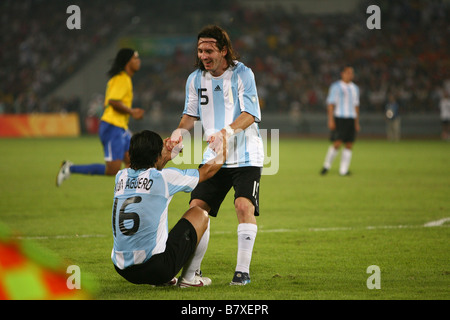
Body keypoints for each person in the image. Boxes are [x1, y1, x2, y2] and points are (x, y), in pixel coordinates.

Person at [168, 25, 264, 286]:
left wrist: (226, 132)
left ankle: (242, 272)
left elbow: (250, 113)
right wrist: (178, 134)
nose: (203, 55)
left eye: (209, 50)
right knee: (195, 209)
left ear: (223, 50)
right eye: (200, 50)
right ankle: (192, 274)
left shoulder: (243, 73)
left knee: (244, 206)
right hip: (214, 156)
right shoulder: (195, 79)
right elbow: (190, 115)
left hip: (246, 153)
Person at [112, 130, 227, 287]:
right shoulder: (164, 178)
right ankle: (189, 279)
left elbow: (148, 175)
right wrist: (224, 151)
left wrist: (165, 155)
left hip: (122, 269)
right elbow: (207, 171)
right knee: (200, 213)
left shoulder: (121, 176)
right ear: (156, 156)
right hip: (156, 268)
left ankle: (163, 281)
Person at [56, 48, 145, 186]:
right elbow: (113, 101)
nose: (139, 61)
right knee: (113, 170)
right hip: (112, 127)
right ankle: (69, 168)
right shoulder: (122, 78)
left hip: (120, 127)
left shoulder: (122, 79)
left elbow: (108, 103)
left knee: (133, 160)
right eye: (135, 58)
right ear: (128, 61)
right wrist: (132, 111)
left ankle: (130, 196)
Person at [320, 66, 360, 176]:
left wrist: (356, 122)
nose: (350, 75)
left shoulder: (355, 88)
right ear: (342, 74)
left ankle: (343, 170)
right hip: (340, 118)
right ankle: (326, 165)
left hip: (351, 118)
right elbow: (331, 104)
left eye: (351, 73)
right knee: (337, 143)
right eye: (347, 73)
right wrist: (331, 120)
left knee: (349, 144)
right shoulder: (336, 87)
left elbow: (356, 105)